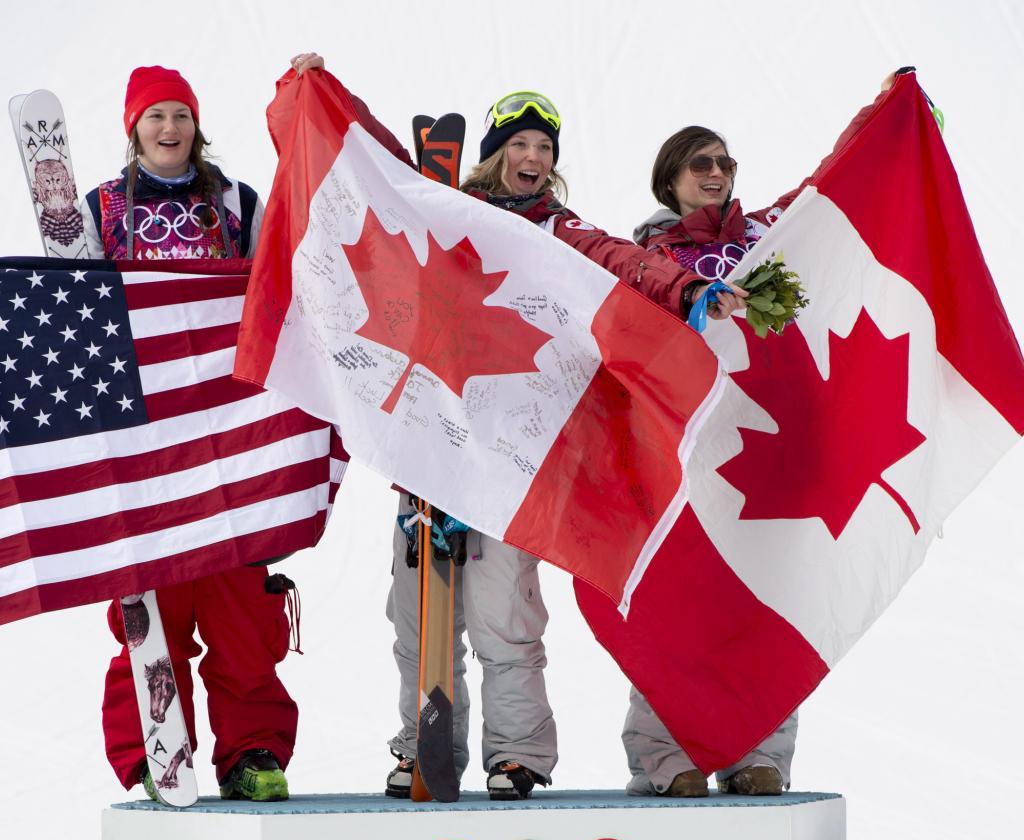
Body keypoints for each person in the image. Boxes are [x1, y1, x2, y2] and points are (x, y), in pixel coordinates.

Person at [289, 53, 734, 800]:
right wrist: (326, 93)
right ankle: (421, 746)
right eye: (520, 144)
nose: (533, 157)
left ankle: (517, 752)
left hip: (509, 454)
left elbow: (622, 261)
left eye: (545, 148)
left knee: (506, 614)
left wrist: (685, 287)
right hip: (432, 443)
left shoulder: (557, 231)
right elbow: (372, 163)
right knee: (417, 618)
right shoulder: (438, 205)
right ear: (495, 151)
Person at [624, 74, 900, 799]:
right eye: (701, 163)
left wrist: (884, 113)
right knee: (673, 604)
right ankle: (664, 757)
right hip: (683, 451)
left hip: (767, 450)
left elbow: (830, 185)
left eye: (725, 163)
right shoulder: (645, 256)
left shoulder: (768, 233)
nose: (717, 174)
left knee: (767, 603)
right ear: (671, 178)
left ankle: (761, 754)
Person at [82, 65, 298, 801]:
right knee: (154, 602)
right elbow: (77, 318)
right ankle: (154, 743)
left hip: (229, 430)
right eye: (155, 117)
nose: (169, 128)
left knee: (239, 605)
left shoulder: (236, 203)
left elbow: (284, 286)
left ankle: (253, 751)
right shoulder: (101, 210)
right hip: (144, 436)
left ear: (195, 124)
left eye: (180, 115)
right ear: (133, 128)